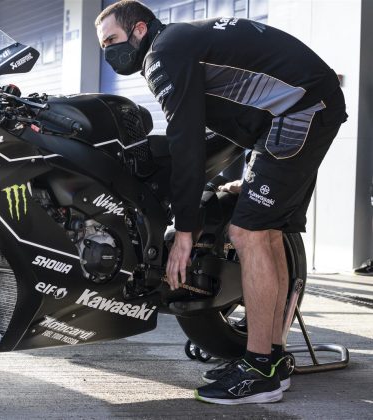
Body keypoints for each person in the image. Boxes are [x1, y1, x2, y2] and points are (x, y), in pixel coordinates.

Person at [95, 0, 347, 405]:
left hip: (300, 108)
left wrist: (185, 230)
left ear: (139, 29)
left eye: (111, 40)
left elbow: (186, 141)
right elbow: (225, 119)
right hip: (303, 104)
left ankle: (260, 371)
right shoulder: (180, 41)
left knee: (247, 232)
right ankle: (272, 358)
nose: (108, 51)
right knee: (269, 232)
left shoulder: (163, 53)